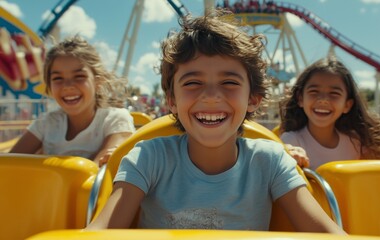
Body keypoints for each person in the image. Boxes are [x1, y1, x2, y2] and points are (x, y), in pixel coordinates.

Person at [86, 10, 345, 234]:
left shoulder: (271, 162)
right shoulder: (148, 158)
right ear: (172, 100)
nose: (210, 96)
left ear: (253, 98)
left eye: (229, 82)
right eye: (193, 83)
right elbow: (100, 232)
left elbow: (328, 234)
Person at [9, 36, 135, 166]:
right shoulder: (47, 123)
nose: (68, 85)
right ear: (49, 85)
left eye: (79, 76)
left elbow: (100, 172)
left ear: (98, 81)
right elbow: (8, 164)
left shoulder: (116, 119)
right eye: (58, 78)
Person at [279, 57, 380, 170]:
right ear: (300, 99)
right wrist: (290, 153)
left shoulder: (357, 143)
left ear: (347, 105)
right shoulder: (293, 141)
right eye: (314, 91)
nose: (323, 99)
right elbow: (284, 151)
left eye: (334, 93)